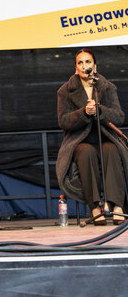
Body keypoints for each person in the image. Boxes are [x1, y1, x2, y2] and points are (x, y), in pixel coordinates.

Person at [56, 49, 128, 225]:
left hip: (105, 138)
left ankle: (117, 206)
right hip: (80, 141)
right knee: (86, 151)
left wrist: (100, 111)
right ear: (76, 68)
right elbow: (63, 121)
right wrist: (84, 113)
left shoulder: (107, 87)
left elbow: (119, 116)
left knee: (111, 150)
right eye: (80, 63)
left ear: (94, 66)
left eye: (88, 62)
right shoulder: (65, 91)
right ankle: (95, 206)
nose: (84, 66)